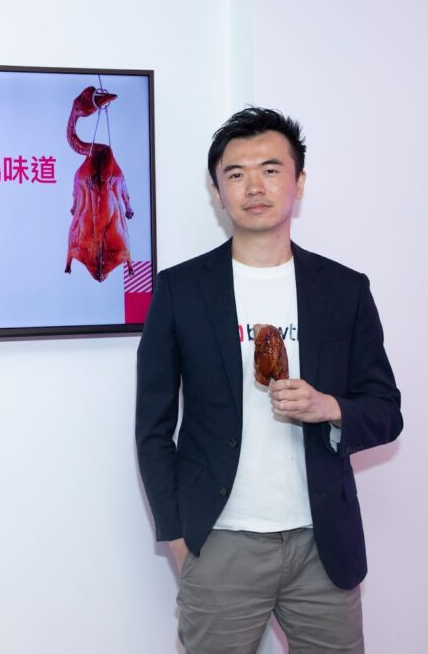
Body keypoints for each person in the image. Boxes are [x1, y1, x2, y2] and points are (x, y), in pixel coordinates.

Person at [135, 107, 402, 652]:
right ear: (217, 190)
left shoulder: (344, 289)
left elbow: (386, 409)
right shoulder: (179, 290)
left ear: (298, 182)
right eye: (235, 174)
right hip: (220, 543)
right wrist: (179, 539)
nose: (254, 186)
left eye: (271, 169)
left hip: (323, 545)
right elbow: (152, 426)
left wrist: (329, 407)